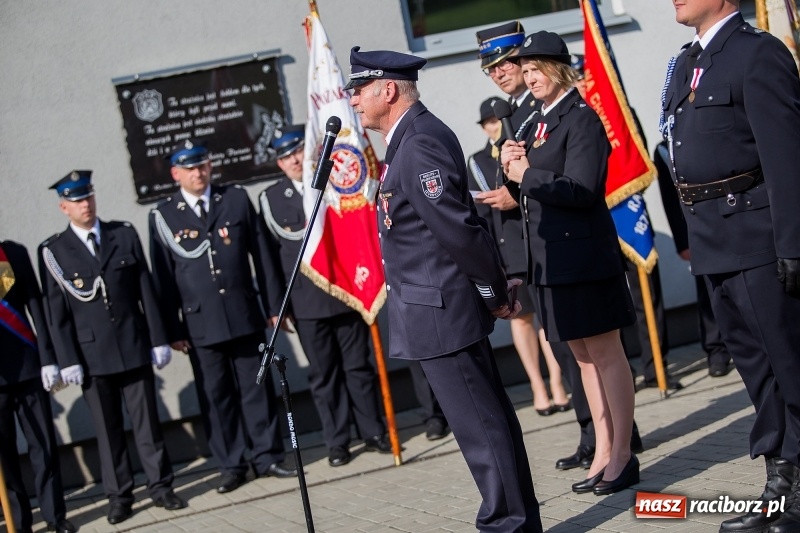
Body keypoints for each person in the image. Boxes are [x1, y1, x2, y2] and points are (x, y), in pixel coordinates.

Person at [346, 46, 542, 532]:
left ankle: (508, 524)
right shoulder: (408, 138)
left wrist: (494, 292)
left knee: (481, 428)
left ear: (387, 90)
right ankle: (516, 521)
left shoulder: (418, 143)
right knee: (485, 423)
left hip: (442, 310)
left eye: (360, 90)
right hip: (434, 308)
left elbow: (458, 229)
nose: (353, 100)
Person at [662, 0, 800, 530]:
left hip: (757, 236)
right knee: (757, 371)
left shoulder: (756, 54)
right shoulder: (686, 62)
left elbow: (786, 156)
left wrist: (793, 243)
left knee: (788, 363)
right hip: (713, 239)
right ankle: (780, 481)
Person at [502, 32, 638, 496]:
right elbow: (529, 186)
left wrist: (527, 174)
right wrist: (511, 165)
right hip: (551, 261)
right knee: (582, 358)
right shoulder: (535, 122)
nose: (530, 77)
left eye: (538, 68)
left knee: (606, 354)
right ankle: (603, 448)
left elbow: (582, 188)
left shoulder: (580, 118)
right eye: (526, 70)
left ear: (559, 69)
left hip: (583, 258)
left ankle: (623, 453)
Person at [149, 140, 296, 495]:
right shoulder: (164, 215)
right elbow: (163, 278)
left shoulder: (234, 199)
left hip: (243, 313)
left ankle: (267, 456)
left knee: (256, 389)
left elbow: (262, 255)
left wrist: (274, 307)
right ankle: (232, 465)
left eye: (202, 165)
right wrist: (172, 329)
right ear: (175, 173)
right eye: (190, 168)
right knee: (216, 398)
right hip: (200, 324)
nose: (198, 173)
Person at [38, 171, 185, 525]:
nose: (85, 205)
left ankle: (161, 486)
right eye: (76, 200)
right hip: (92, 357)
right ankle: (119, 496)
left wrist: (158, 338)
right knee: (108, 432)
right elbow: (56, 314)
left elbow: (145, 290)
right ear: (64, 207)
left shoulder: (123, 234)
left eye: (88, 197)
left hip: (134, 345)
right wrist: (67, 359)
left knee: (148, 425)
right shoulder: (54, 251)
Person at [258, 125, 392, 466]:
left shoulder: (336, 181)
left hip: (346, 291)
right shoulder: (271, 199)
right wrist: (277, 307)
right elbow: (269, 260)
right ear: (279, 164)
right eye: (285, 157)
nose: (294, 160)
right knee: (323, 374)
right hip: (305, 301)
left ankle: (373, 431)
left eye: (297, 152)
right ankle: (337, 442)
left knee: (358, 367)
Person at [570, 53, 681, 391]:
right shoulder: (570, 121)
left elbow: (641, 163)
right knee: (606, 301)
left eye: (586, 78)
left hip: (627, 211)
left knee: (647, 294)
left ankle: (656, 366)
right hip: (592, 220)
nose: (583, 85)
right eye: (576, 80)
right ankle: (622, 370)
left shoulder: (621, 113)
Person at [467, 96, 570, 414]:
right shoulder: (477, 162)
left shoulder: (524, 149)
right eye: (490, 122)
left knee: (547, 318)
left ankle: (557, 382)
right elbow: (478, 213)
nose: (496, 127)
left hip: (532, 240)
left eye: (499, 120)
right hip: (505, 248)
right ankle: (537, 386)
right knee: (522, 318)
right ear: (483, 128)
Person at [0, 239, 75, 533]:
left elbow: (36, 305)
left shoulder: (12, 253)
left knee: (43, 446)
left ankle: (55, 515)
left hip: (29, 367)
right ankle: (19, 523)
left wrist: (48, 358)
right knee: (5, 457)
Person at [653, 140, 732, 378]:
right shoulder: (665, 148)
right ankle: (716, 351)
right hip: (697, 231)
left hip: (729, 219)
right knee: (709, 291)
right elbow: (670, 199)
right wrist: (682, 242)